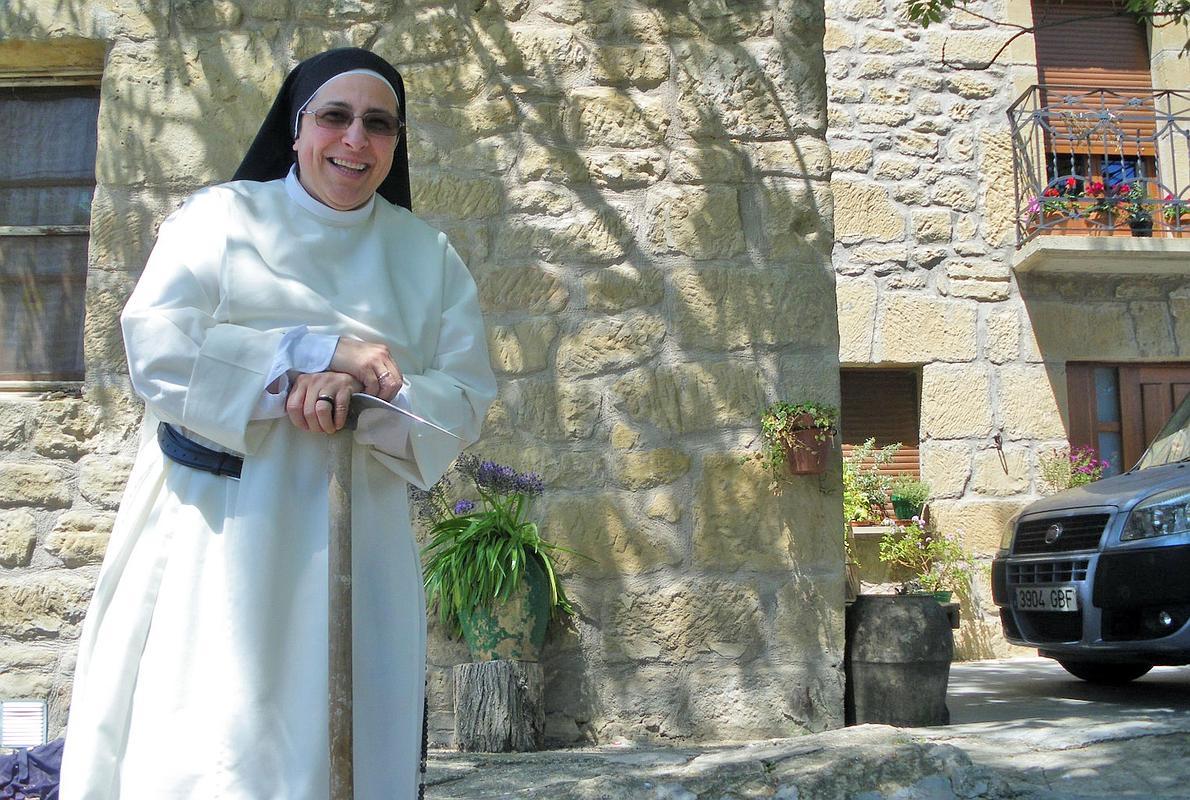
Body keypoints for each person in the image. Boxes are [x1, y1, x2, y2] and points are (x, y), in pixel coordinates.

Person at [58, 48, 496, 799]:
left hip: (361, 539)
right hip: (218, 531)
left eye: (378, 124)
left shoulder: (429, 257)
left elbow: (463, 399)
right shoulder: (220, 219)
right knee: (209, 743)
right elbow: (158, 345)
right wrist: (305, 361)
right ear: (296, 132)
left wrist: (361, 398)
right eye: (334, 116)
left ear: (396, 144)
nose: (355, 139)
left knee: (349, 745)